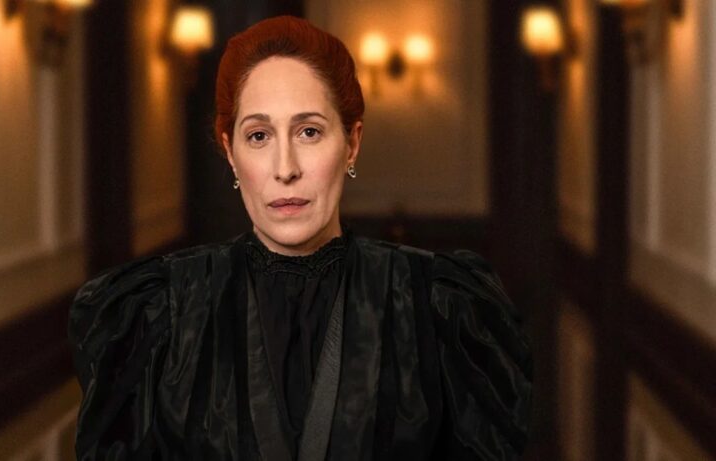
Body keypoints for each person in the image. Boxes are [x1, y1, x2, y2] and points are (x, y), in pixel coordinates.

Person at [69, 16, 532, 461]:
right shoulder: (160, 312)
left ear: (351, 143)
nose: (285, 168)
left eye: (309, 131)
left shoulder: (436, 306)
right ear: (230, 152)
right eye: (259, 136)